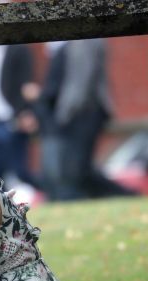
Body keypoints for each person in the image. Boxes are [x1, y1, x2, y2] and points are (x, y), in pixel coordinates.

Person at [35, 39, 136, 200]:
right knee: (79, 169)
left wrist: (65, 115)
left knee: (78, 169)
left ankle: (128, 195)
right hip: (78, 114)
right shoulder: (69, 45)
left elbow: (82, 82)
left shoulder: (85, 41)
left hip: (86, 112)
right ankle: (126, 196)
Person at [0, 43, 40, 190]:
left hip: (13, 119)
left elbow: (27, 84)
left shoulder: (19, 49)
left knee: (20, 171)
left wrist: (24, 111)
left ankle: (49, 193)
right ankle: (1, 209)